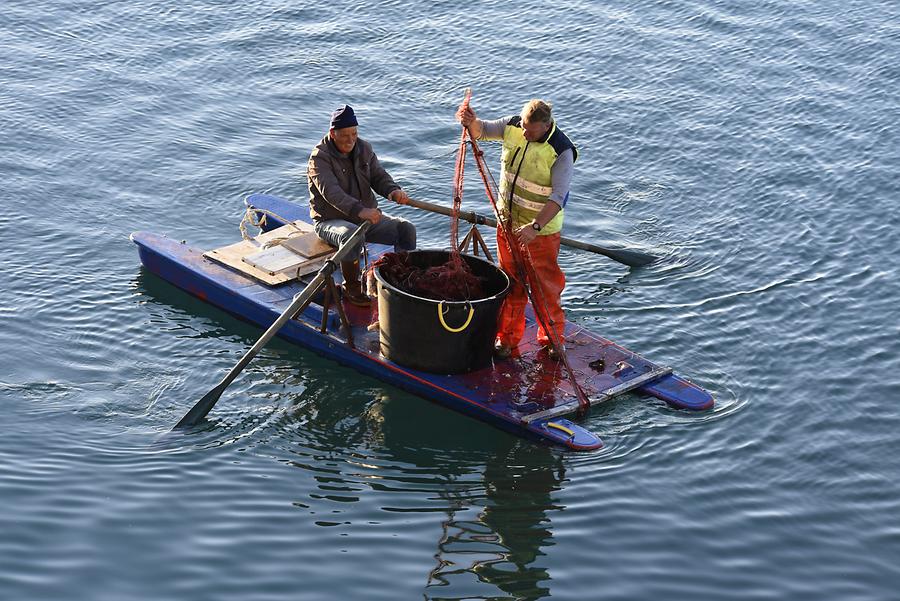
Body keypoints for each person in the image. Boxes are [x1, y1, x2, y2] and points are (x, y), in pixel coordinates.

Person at [456, 98, 577, 359]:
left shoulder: (561, 151)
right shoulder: (513, 125)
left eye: (530, 131)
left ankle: (552, 340)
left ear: (545, 127)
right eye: (522, 126)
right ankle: (507, 339)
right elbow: (483, 130)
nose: (523, 133)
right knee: (511, 284)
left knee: (545, 288)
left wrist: (535, 226)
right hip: (508, 224)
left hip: (540, 233)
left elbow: (559, 197)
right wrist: (470, 121)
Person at [308, 104, 416, 306]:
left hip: (364, 219)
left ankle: (401, 281)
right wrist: (361, 211)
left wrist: (393, 190)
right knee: (351, 235)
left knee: (406, 229)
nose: (351, 140)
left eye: (354, 134)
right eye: (345, 135)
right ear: (333, 133)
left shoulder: (364, 148)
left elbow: (378, 176)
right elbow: (332, 193)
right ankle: (352, 287)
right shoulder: (319, 158)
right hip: (329, 221)